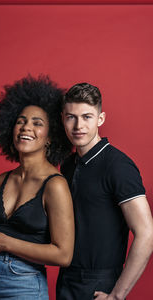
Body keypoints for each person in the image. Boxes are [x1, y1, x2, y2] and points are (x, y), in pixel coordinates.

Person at [0, 75, 74, 300]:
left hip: (21, 281)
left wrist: (6, 243)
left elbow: (63, 254)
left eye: (37, 123)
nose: (26, 127)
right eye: (21, 121)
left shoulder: (55, 185)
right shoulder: (2, 180)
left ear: (50, 137)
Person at [56, 82, 153, 300]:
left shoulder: (118, 166)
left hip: (100, 282)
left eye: (87, 117)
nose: (78, 125)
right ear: (63, 118)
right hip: (66, 277)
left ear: (101, 119)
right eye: (71, 117)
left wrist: (116, 295)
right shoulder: (68, 165)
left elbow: (147, 234)